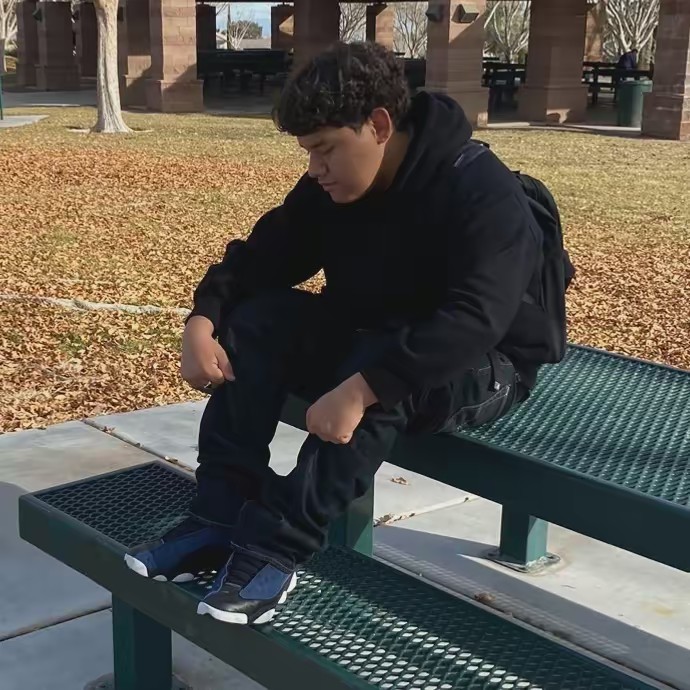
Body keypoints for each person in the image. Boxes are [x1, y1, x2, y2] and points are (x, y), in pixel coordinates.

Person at [125, 41, 564, 626]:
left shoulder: (480, 191)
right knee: (257, 323)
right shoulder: (333, 188)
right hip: (371, 335)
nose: (315, 168)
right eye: (308, 152)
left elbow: (475, 319)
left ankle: (276, 547)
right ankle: (219, 514)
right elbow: (264, 257)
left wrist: (360, 389)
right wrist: (202, 321)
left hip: (483, 365)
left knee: (384, 369)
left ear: (378, 125)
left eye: (325, 148)